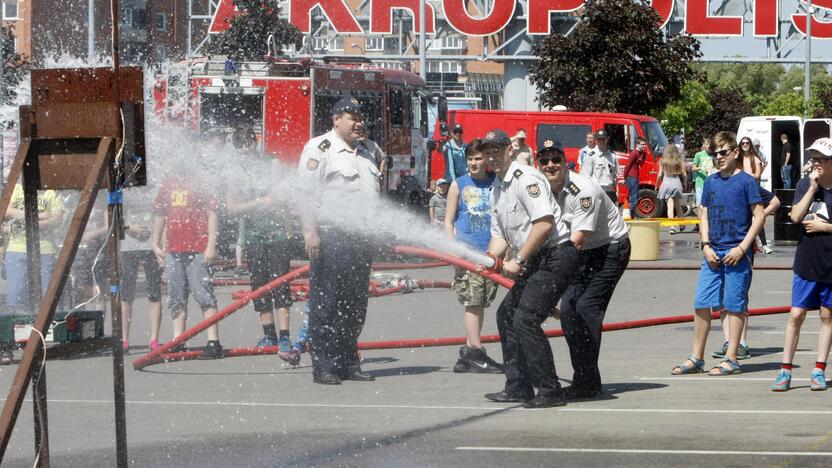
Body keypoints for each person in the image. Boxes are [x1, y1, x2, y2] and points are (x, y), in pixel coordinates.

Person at [481, 129, 578, 409]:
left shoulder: (526, 179)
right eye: (488, 151)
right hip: (537, 258)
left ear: (509, 150)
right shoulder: (497, 188)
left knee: (525, 319)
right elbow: (499, 236)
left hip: (557, 255)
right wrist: (488, 256)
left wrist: (519, 260)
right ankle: (518, 385)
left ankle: (549, 389)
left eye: (497, 150)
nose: (492, 156)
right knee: (506, 314)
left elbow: (544, 224)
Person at [540, 140, 630, 400]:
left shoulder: (583, 190)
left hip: (609, 248)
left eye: (555, 159)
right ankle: (584, 378)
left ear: (565, 161)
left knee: (586, 308)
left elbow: (577, 240)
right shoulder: (543, 189)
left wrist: (550, 286)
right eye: (544, 160)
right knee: (569, 312)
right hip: (581, 251)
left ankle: (588, 382)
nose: (550, 165)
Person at [298, 96, 378, 385]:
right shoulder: (320, 149)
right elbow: (304, 193)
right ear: (336, 119)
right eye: (352, 117)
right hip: (331, 237)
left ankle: (348, 361)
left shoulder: (367, 151)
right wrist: (310, 232)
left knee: (355, 305)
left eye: (361, 117)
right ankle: (324, 364)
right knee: (327, 303)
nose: (359, 122)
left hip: (361, 239)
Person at [671, 131, 764, 376]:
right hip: (712, 252)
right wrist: (705, 246)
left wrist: (743, 247)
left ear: (735, 152)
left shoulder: (746, 182)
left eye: (723, 152)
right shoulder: (711, 182)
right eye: (715, 153)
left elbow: (759, 216)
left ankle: (731, 358)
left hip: (738, 253)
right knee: (702, 303)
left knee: (734, 306)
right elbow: (703, 215)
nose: (719, 157)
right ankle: (696, 357)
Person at [226, 125, 295, 357]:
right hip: (254, 237)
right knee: (260, 286)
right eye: (240, 147)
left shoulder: (271, 163)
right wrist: (257, 203)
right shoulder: (236, 173)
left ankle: (285, 337)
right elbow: (232, 208)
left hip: (277, 234)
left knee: (281, 284)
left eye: (248, 144)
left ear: (255, 143)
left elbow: (278, 197)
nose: (245, 150)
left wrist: (267, 200)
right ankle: (269, 335)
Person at [770, 138, 832, 391]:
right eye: (814, 158)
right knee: (796, 314)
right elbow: (795, 216)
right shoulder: (805, 184)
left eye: (822, 159)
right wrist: (811, 188)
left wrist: (825, 227)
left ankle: (819, 370)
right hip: (806, 261)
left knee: (827, 315)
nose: (816, 163)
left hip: (830, 263)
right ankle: (785, 370)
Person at [152, 162, 224, 359]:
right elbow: (160, 214)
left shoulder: (200, 182)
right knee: (176, 296)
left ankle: (213, 341)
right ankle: (178, 340)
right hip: (174, 250)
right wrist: (155, 241)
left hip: (198, 248)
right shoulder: (167, 184)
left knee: (204, 294)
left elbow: (212, 213)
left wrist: (211, 244)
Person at [443, 139, 502, 373]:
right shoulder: (458, 185)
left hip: (490, 252)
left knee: (481, 302)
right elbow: (448, 221)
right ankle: (476, 353)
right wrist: (450, 247)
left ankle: (467, 353)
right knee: (473, 302)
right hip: (467, 253)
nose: (474, 163)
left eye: (478, 158)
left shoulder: (493, 183)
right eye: (470, 159)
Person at [0, 185, 65, 365]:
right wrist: (42, 216)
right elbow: (5, 211)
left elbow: (56, 220)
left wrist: (22, 217)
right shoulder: (17, 188)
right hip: (16, 249)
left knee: (47, 296)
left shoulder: (52, 191)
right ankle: (9, 344)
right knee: (16, 297)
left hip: (45, 250)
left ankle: (45, 340)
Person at [120, 187, 163, 353]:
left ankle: (154, 338)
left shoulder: (156, 189)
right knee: (127, 293)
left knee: (154, 291)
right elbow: (114, 218)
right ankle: (124, 338)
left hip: (151, 246)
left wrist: (161, 244)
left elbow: (163, 217)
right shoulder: (125, 191)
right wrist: (131, 228)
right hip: (128, 247)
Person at [579, 129, 617, 203]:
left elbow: (615, 176)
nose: (601, 142)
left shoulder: (612, 156)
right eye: (599, 139)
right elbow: (585, 176)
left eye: (603, 139)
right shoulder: (591, 156)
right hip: (596, 191)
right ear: (596, 140)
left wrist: (617, 192)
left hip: (609, 192)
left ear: (607, 139)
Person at [657, 144, 687, 234]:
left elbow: (659, 175)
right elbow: (684, 174)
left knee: (670, 206)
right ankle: (681, 225)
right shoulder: (678, 161)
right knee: (678, 205)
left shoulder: (662, 161)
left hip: (667, 183)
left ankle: (672, 226)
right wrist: (685, 183)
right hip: (677, 183)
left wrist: (656, 184)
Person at [691, 138, 716, 230]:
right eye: (707, 143)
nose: (709, 145)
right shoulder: (699, 155)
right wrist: (701, 168)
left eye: (710, 143)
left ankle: (708, 224)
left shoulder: (714, 155)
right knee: (699, 204)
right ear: (704, 145)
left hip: (711, 183)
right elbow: (693, 168)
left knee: (709, 204)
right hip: (700, 183)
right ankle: (698, 225)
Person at [622, 137, 648, 217]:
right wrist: (624, 177)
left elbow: (641, 163)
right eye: (642, 144)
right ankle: (631, 216)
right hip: (632, 177)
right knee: (633, 197)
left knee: (634, 197)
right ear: (637, 144)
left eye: (645, 144)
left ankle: (631, 215)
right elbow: (628, 165)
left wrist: (644, 154)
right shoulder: (634, 153)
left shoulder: (641, 153)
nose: (644, 146)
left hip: (634, 177)